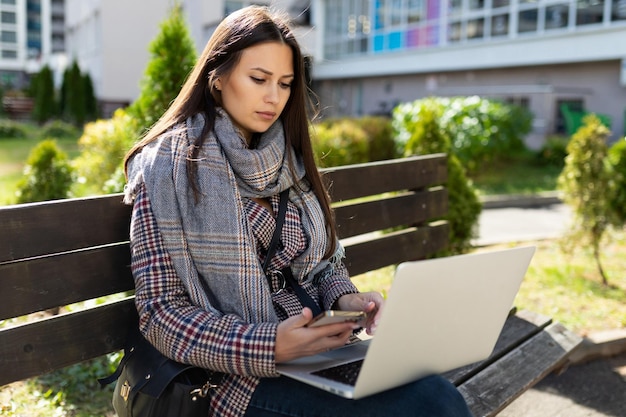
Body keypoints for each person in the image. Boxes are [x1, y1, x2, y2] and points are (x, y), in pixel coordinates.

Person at [123, 5, 474, 417]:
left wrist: (346, 300)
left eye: (286, 83)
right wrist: (268, 345)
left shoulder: (287, 160)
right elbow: (161, 314)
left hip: (317, 353)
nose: (274, 96)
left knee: (436, 395)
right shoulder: (166, 169)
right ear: (217, 78)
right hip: (233, 379)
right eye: (258, 79)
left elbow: (318, 266)